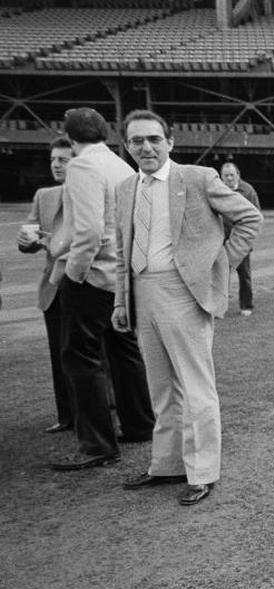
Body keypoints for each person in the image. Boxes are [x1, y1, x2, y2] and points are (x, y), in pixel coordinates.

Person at [113, 109, 262, 506]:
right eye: (137, 141)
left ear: (170, 141)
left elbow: (249, 218)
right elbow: (121, 249)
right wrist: (120, 300)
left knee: (196, 389)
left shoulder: (198, 178)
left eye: (154, 139)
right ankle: (167, 465)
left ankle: (202, 473)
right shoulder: (126, 188)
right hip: (142, 293)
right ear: (126, 145)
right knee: (161, 389)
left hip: (184, 294)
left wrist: (220, 264)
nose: (146, 147)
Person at [47, 107, 155, 471]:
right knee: (124, 351)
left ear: (71, 137)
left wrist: (73, 274)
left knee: (79, 357)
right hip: (120, 277)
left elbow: (90, 231)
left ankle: (96, 444)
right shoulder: (120, 165)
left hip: (92, 276)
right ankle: (139, 423)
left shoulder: (82, 166)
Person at [17, 137, 76, 434]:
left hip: (85, 283)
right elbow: (28, 238)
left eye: (63, 160)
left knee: (93, 354)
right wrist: (26, 241)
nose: (56, 165)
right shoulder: (44, 195)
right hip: (53, 288)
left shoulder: (91, 192)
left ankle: (103, 409)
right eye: (53, 159)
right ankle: (66, 416)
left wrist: (52, 242)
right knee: (58, 354)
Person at [219, 161, 260, 316]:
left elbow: (256, 215)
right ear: (221, 177)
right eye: (225, 175)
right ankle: (219, 307)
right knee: (220, 276)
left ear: (238, 175)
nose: (229, 178)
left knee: (244, 274)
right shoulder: (217, 190)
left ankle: (246, 305)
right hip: (221, 240)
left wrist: (247, 238)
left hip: (241, 241)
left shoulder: (248, 191)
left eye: (231, 175)